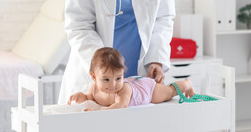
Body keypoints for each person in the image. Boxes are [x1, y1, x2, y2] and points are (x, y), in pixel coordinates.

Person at [67, 47, 195, 110]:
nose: (113, 85)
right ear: (94, 77)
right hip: (137, 83)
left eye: (118, 78)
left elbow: (120, 106)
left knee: (169, 92)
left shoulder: (123, 90)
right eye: (106, 79)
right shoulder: (93, 88)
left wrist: (97, 113)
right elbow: (90, 98)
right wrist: (82, 97)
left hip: (147, 90)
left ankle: (186, 84)